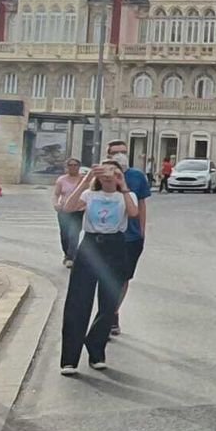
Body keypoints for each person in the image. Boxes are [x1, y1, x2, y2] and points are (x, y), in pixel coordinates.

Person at [57, 162, 138, 374]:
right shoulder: (89, 195)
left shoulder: (125, 196)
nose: (109, 176)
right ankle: (69, 358)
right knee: (78, 300)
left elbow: (133, 212)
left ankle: (96, 348)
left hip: (115, 246)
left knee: (109, 301)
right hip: (91, 246)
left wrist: (123, 184)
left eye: (114, 172)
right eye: (105, 173)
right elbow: (68, 207)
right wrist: (86, 179)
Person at [105, 140, 151, 337]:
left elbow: (141, 205)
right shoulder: (102, 176)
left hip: (131, 237)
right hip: (107, 235)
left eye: (123, 152)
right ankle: (105, 314)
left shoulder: (137, 176)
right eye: (116, 153)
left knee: (124, 277)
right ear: (108, 154)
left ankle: (113, 312)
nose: (120, 155)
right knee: (106, 276)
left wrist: (141, 231)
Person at [52, 158, 85, 266]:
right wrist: (56, 203)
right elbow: (56, 194)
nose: (73, 167)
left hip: (78, 210)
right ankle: (67, 254)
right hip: (64, 210)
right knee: (64, 234)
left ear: (79, 166)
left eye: (75, 165)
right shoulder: (62, 180)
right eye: (70, 165)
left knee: (73, 233)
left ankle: (71, 257)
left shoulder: (83, 180)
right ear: (67, 167)